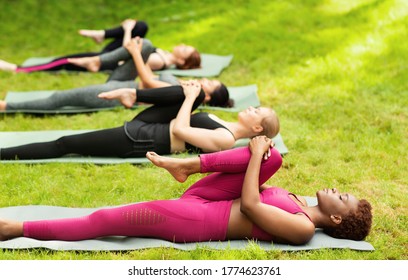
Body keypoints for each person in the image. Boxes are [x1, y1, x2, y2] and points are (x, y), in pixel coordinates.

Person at [0, 136, 372, 244]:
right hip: (208, 197)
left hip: (196, 218)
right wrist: (261, 156)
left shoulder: (304, 228)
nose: (337, 188)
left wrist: (255, 156)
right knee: (272, 158)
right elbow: (252, 178)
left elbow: (249, 205)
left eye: (342, 196)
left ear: (336, 217)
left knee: (104, 220)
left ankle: (16, 228)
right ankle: (187, 166)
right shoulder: (297, 202)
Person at [0, 81, 279, 160]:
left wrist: (188, 101)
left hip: (142, 138)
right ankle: (131, 93)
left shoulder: (224, 139)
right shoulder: (223, 122)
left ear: (256, 128)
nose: (252, 107)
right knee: (189, 91)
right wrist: (190, 96)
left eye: (257, 111)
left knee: (65, 143)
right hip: (150, 124)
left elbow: (181, 128)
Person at [0, 38, 231, 112]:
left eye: (209, 84)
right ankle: (98, 61)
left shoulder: (185, 94)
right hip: (124, 81)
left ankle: (5, 106)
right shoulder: (184, 84)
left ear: (207, 97)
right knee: (147, 44)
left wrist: (135, 54)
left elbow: (149, 82)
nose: (204, 80)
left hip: (115, 94)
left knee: (60, 98)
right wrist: (137, 52)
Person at [0, 19, 200, 73]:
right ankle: (101, 34)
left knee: (65, 60)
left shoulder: (158, 61)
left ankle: (17, 69)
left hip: (109, 60)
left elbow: (125, 56)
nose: (181, 44)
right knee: (143, 25)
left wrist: (128, 31)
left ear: (182, 60)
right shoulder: (164, 54)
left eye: (184, 49)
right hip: (116, 51)